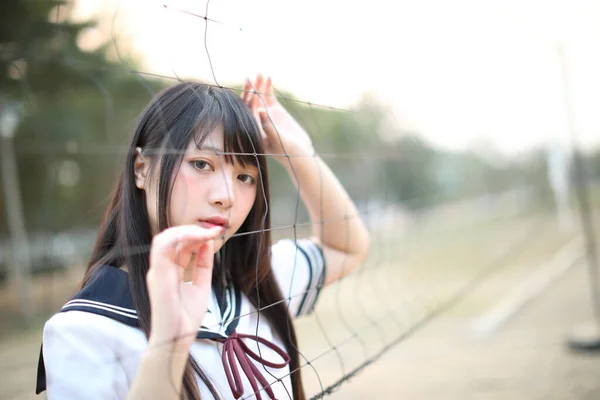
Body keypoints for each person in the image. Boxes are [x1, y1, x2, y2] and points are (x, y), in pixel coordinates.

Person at [35, 75, 370, 400]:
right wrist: (169, 345)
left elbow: (347, 247)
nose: (227, 196)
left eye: (244, 176)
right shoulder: (84, 329)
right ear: (141, 168)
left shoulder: (255, 284)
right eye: (201, 164)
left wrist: (298, 153)